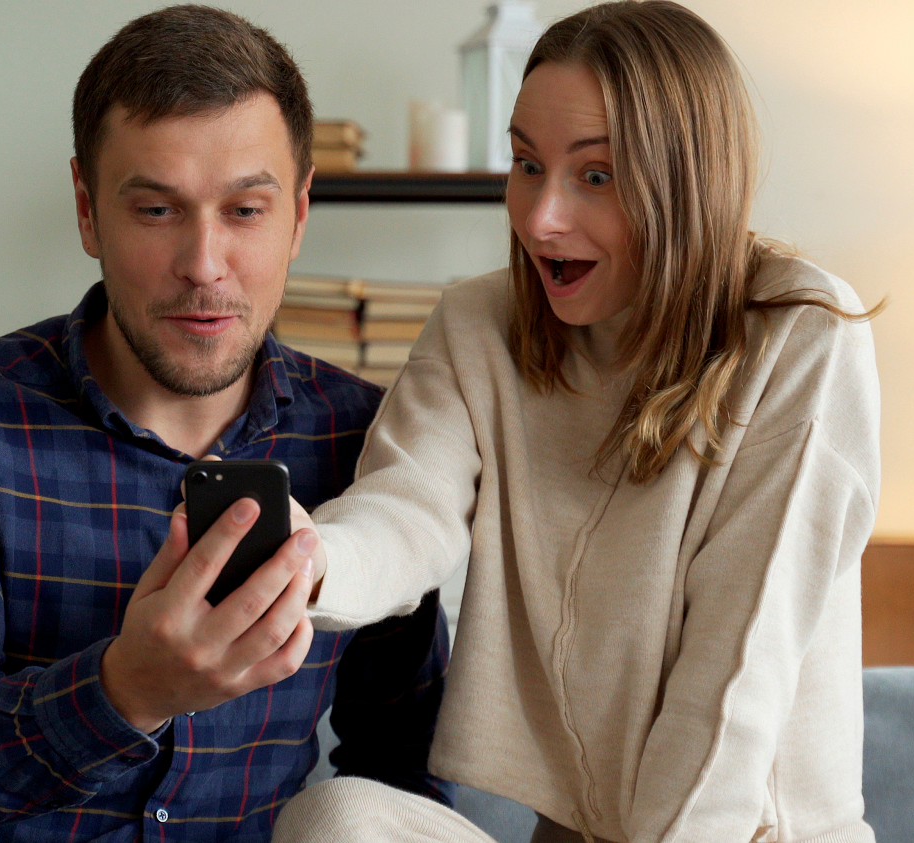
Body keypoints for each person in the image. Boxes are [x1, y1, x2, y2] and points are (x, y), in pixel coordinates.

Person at [278, 2, 881, 842]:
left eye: (594, 175)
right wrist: (309, 563)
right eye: (526, 164)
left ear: (685, 180)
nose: (539, 217)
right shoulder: (477, 323)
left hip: (736, 832)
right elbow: (407, 508)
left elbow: (734, 684)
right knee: (338, 817)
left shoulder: (800, 332)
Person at [0, 7, 452, 842]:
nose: (204, 265)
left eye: (245, 210)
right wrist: (126, 690)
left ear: (299, 214)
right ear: (88, 210)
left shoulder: (362, 440)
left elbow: (406, 771)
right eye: (157, 211)